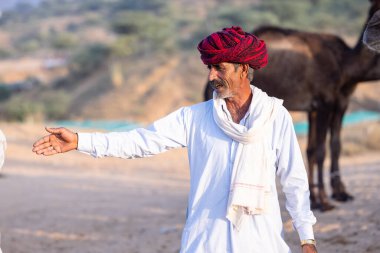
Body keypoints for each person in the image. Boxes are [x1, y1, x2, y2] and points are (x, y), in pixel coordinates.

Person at [32, 26, 317, 253]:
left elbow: (294, 180)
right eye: (209, 67)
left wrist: (307, 238)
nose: (211, 75)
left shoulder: (275, 117)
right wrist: (80, 141)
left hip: (261, 241)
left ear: (243, 69)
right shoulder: (194, 118)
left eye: (220, 68)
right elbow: (139, 142)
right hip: (206, 241)